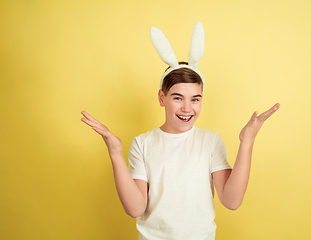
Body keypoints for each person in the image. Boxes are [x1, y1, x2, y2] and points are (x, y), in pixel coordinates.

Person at [81, 22, 280, 240]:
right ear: (161, 98)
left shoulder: (210, 141)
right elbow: (135, 209)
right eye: (178, 98)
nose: (187, 108)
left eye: (195, 99)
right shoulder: (142, 143)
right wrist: (116, 153)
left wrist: (247, 141)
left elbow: (231, 201)